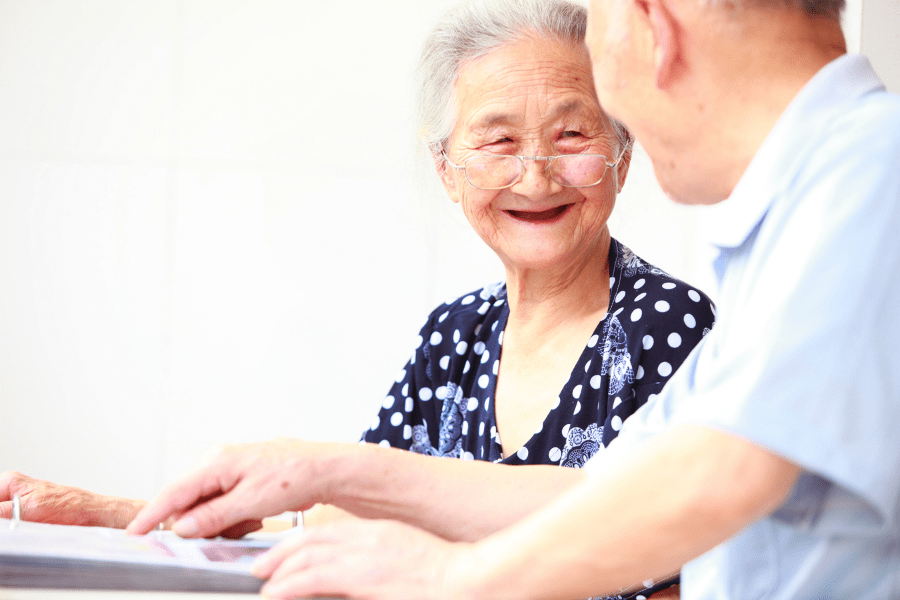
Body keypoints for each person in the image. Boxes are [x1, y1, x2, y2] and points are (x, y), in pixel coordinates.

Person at [124, 0, 900, 597]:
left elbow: (719, 474)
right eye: (498, 141)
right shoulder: (817, 200)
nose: (538, 173)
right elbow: (601, 494)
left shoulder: (873, 170)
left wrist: (445, 579)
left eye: (593, 23)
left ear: (649, 23)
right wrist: (316, 470)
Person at [2, 1, 715, 597]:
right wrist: (120, 518)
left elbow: (687, 557)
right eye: (498, 140)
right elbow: (343, 520)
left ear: (622, 151)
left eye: (571, 135)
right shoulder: (456, 333)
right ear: (447, 169)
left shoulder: (667, 323)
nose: (535, 176)